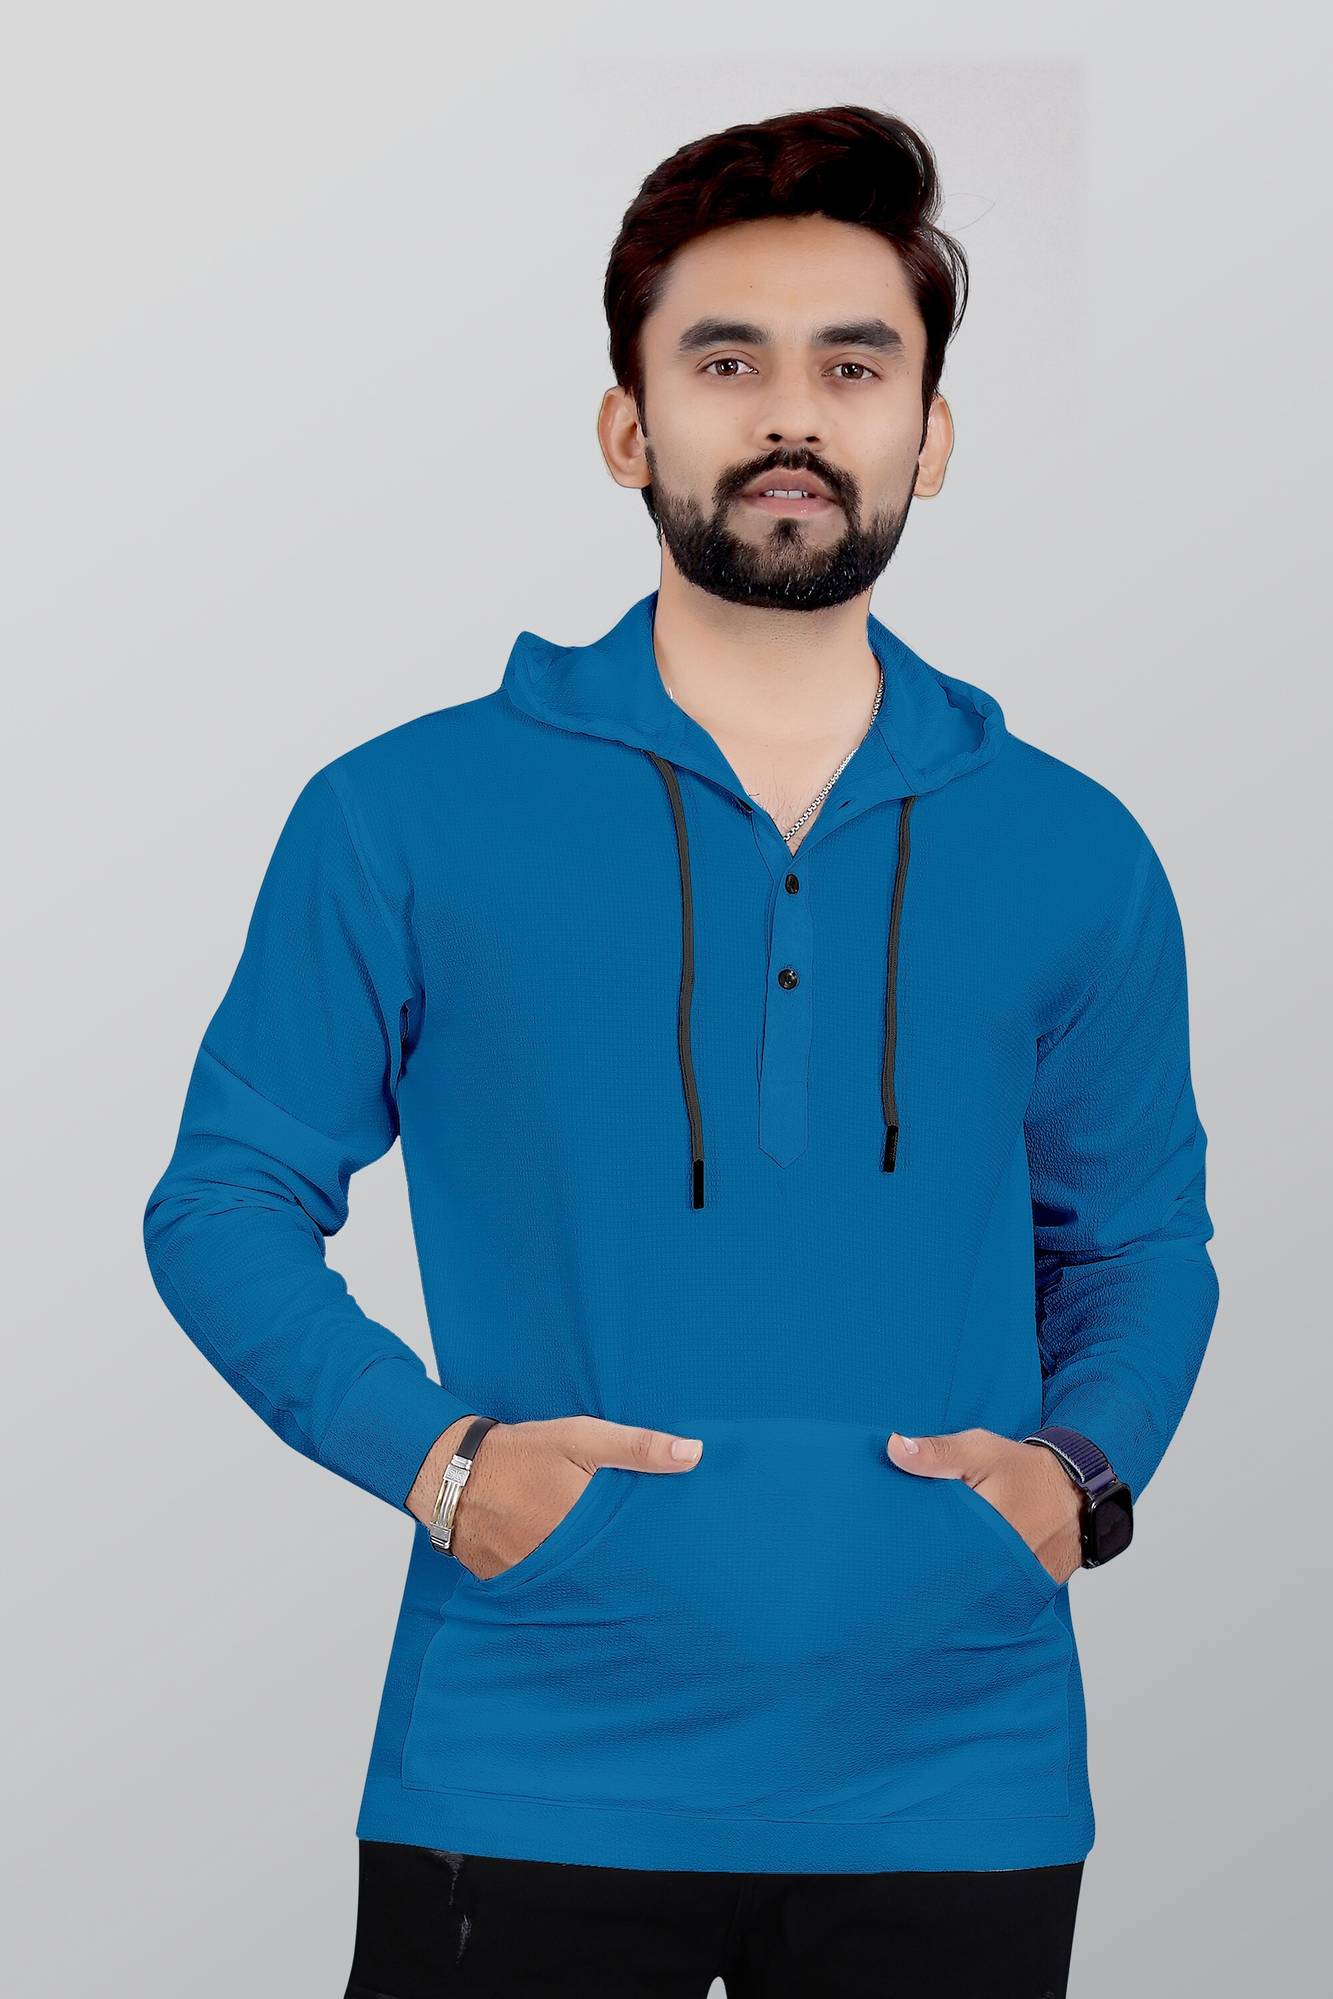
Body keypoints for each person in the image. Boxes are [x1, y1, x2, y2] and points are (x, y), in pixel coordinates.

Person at [142, 104, 1219, 1997]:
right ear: (628, 426)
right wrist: (441, 1466)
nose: (792, 415)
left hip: (953, 1766)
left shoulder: (1073, 848)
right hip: (525, 1750)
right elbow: (225, 1198)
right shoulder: (403, 813)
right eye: (727, 364)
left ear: (929, 435)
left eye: (853, 366)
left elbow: (1135, 1244)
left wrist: (1079, 1477)